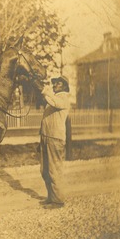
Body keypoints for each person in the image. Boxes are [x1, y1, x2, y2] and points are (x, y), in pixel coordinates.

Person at [39, 76, 70, 209]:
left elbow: (55, 103)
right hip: (46, 137)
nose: (55, 85)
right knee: (45, 170)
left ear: (64, 87)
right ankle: (51, 197)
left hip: (55, 138)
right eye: (54, 83)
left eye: (58, 83)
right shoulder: (53, 98)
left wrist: (45, 91)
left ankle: (58, 201)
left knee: (54, 170)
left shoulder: (63, 98)